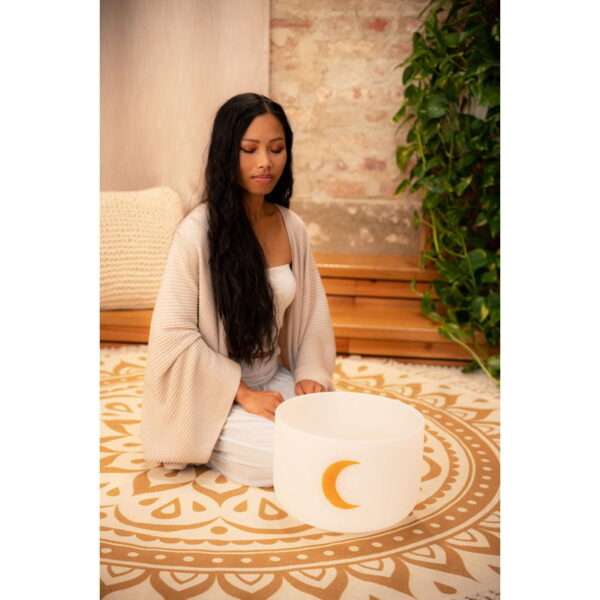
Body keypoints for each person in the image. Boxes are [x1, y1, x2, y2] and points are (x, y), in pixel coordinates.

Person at [141, 93, 337, 487]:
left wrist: (310, 372)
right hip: (215, 395)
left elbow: (312, 311)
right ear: (227, 153)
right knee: (288, 458)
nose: (265, 162)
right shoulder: (196, 233)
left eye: (276, 149)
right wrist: (242, 393)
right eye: (250, 150)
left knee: (334, 433)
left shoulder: (291, 227)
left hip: (274, 376)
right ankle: (206, 437)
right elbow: (173, 334)